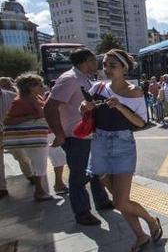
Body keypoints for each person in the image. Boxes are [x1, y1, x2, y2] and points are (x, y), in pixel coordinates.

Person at [81, 49, 163, 252]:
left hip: (122, 145)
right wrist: (85, 107)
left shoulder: (134, 92)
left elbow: (141, 122)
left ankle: (151, 221)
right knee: (117, 197)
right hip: (99, 144)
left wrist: (120, 107)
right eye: (105, 65)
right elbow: (87, 112)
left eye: (112, 66)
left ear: (125, 68)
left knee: (120, 202)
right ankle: (140, 236)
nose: (106, 69)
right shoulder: (97, 87)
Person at [44, 48, 112, 226]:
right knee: (79, 176)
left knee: (96, 171)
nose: (96, 64)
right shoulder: (70, 79)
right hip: (77, 137)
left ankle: (102, 202)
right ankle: (82, 213)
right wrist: (58, 134)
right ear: (85, 61)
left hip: (89, 135)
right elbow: (49, 107)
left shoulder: (83, 78)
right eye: (93, 60)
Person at [4, 73, 56, 201]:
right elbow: (8, 121)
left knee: (40, 164)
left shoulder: (37, 97)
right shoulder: (20, 101)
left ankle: (40, 190)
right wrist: (31, 117)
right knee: (39, 164)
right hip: (33, 137)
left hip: (40, 135)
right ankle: (39, 191)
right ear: (30, 87)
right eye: (39, 84)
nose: (42, 87)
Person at [0, 86, 18, 198]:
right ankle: (2, 187)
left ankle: (30, 174)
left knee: (21, 156)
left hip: (12, 131)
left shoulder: (11, 95)